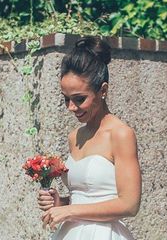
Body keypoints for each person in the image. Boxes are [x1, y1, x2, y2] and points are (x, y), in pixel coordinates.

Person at [37, 37, 141, 239]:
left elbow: (129, 204)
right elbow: (84, 197)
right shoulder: (75, 136)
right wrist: (61, 203)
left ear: (103, 90)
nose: (71, 107)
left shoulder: (120, 134)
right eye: (66, 99)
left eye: (79, 99)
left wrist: (69, 211)